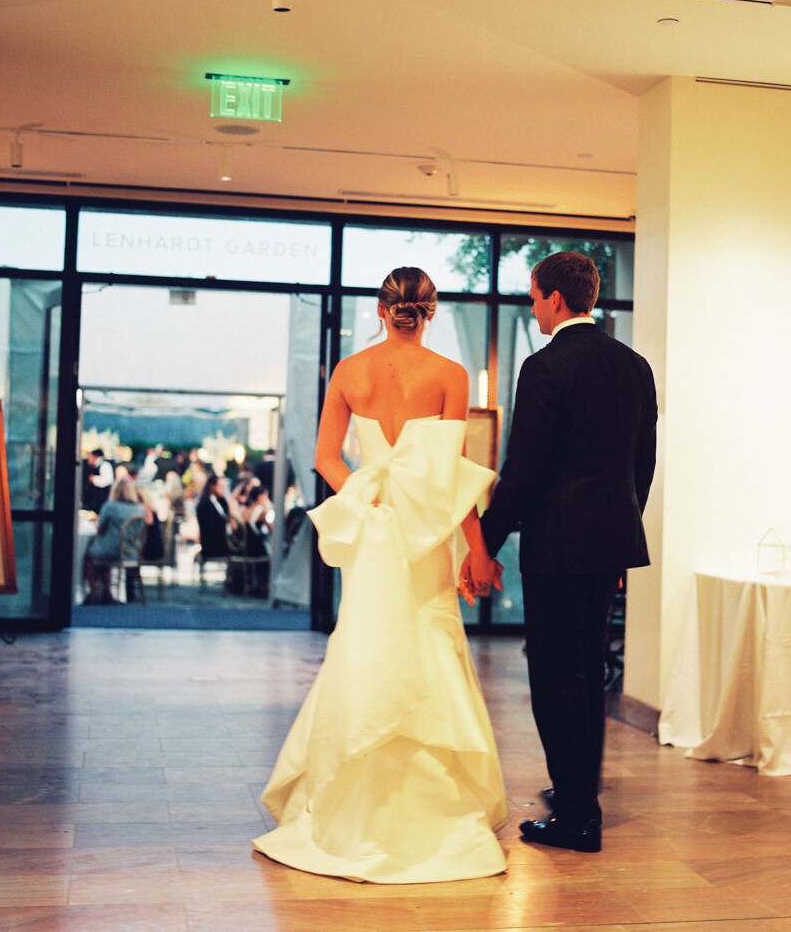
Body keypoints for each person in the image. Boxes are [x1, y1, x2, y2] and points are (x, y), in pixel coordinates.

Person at [254, 267, 508, 883]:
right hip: (424, 535)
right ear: (430, 311)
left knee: (365, 644)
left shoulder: (349, 371)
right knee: (428, 642)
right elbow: (450, 475)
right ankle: (433, 810)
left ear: (381, 309)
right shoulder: (449, 375)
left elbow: (325, 458)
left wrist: (368, 491)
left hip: (374, 529)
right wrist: (478, 550)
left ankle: (347, 803)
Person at [463, 250, 657, 854]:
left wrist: (484, 542)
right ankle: (577, 793)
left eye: (533, 297)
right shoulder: (634, 365)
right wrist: (619, 536)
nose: (532, 308)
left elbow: (523, 471)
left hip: (557, 546)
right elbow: (643, 464)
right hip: (608, 545)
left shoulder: (544, 366)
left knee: (555, 678)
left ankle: (576, 817)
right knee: (588, 673)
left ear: (554, 298)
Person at [82, 478, 146, 604]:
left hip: (114, 550)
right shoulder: (139, 509)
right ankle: (106, 591)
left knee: (90, 555)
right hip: (132, 552)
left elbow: (100, 530)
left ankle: (94, 589)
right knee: (104, 553)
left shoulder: (110, 506)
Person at [82, 448, 114, 513]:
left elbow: (108, 480)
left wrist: (94, 479)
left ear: (95, 456)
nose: (88, 459)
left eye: (90, 457)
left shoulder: (105, 465)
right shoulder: (92, 467)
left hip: (101, 500)